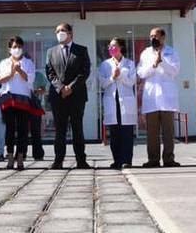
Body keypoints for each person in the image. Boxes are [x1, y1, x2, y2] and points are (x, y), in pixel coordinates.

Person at [46, 23, 92, 169]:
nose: (59, 33)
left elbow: (85, 71)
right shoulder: (51, 52)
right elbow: (50, 73)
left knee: (77, 128)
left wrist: (71, 87)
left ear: (70, 33)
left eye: (62, 30)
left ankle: (81, 160)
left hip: (77, 95)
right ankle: (58, 161)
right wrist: (61, 88)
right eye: (57, 31)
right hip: (58, 96)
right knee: (60, 129)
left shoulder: (81, 50)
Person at [137, 27, 181, 168]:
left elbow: (175, 70)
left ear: (163, 37)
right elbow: (141, 73)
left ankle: (169, 159)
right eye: (151, 36)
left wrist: (162, 61)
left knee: (168, 131)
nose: (153, 38)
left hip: (167, 98)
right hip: (151, 97)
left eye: (155, 36)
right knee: (152, 132)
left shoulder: (171, 52)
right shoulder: (146, 53)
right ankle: (153, 159)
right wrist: (154, 65)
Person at [0, 36, 38, 170]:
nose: (17, 49)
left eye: (19, 47)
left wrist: (19, 70)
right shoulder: (4, 63)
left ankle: (20, 157)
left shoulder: (28, 63)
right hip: (8, 98)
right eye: (14, 47)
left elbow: (30, 79)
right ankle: (9, 157)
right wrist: (11, 72)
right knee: (9, 129)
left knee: (22, 129)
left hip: (23, 98)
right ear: (9, 49)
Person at [99, 37, 137, 170]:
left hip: (125, 102)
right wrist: (112, 77)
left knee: (127, 133)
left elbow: (132, 82)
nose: (111, 48)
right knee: (114, 134)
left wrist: (120, 76)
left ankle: (126, 160)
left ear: (121, 47)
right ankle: (117, 161)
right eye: (109, 46)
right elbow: (102, 84)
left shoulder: (129, 64)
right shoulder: (105, 65)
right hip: (112, 102)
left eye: (114, 46)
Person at [29, 69, 47, 160]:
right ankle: (20, 153)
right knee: (22, 130)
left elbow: (44, 90)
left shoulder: (39, 75)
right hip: (22, 103)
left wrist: (35, 91)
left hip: (35, 104)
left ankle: (38, 153)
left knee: (36, 131)